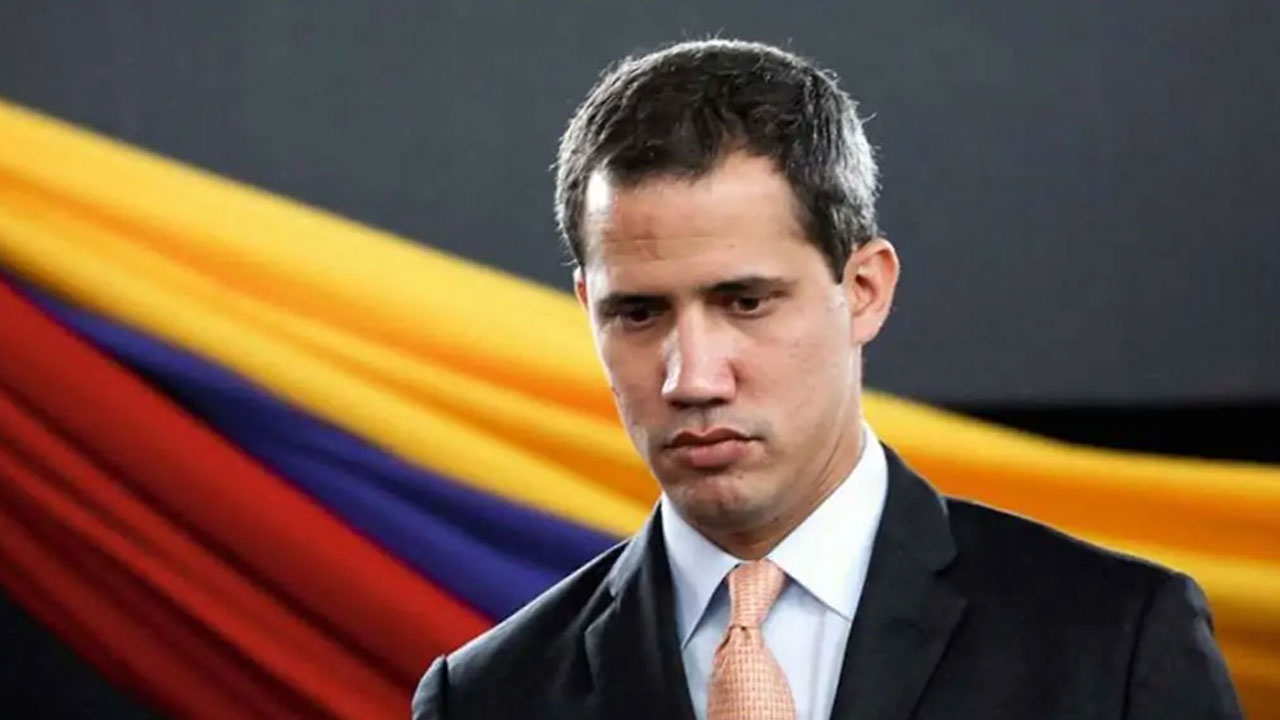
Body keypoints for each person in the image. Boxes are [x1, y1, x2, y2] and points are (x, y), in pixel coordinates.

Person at [412, 38, 1241, 720]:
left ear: (866, 290)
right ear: (587, 308)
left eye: (745, 301)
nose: (692, 378)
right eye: (638, 313)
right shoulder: (484, 698)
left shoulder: (1114, 645)